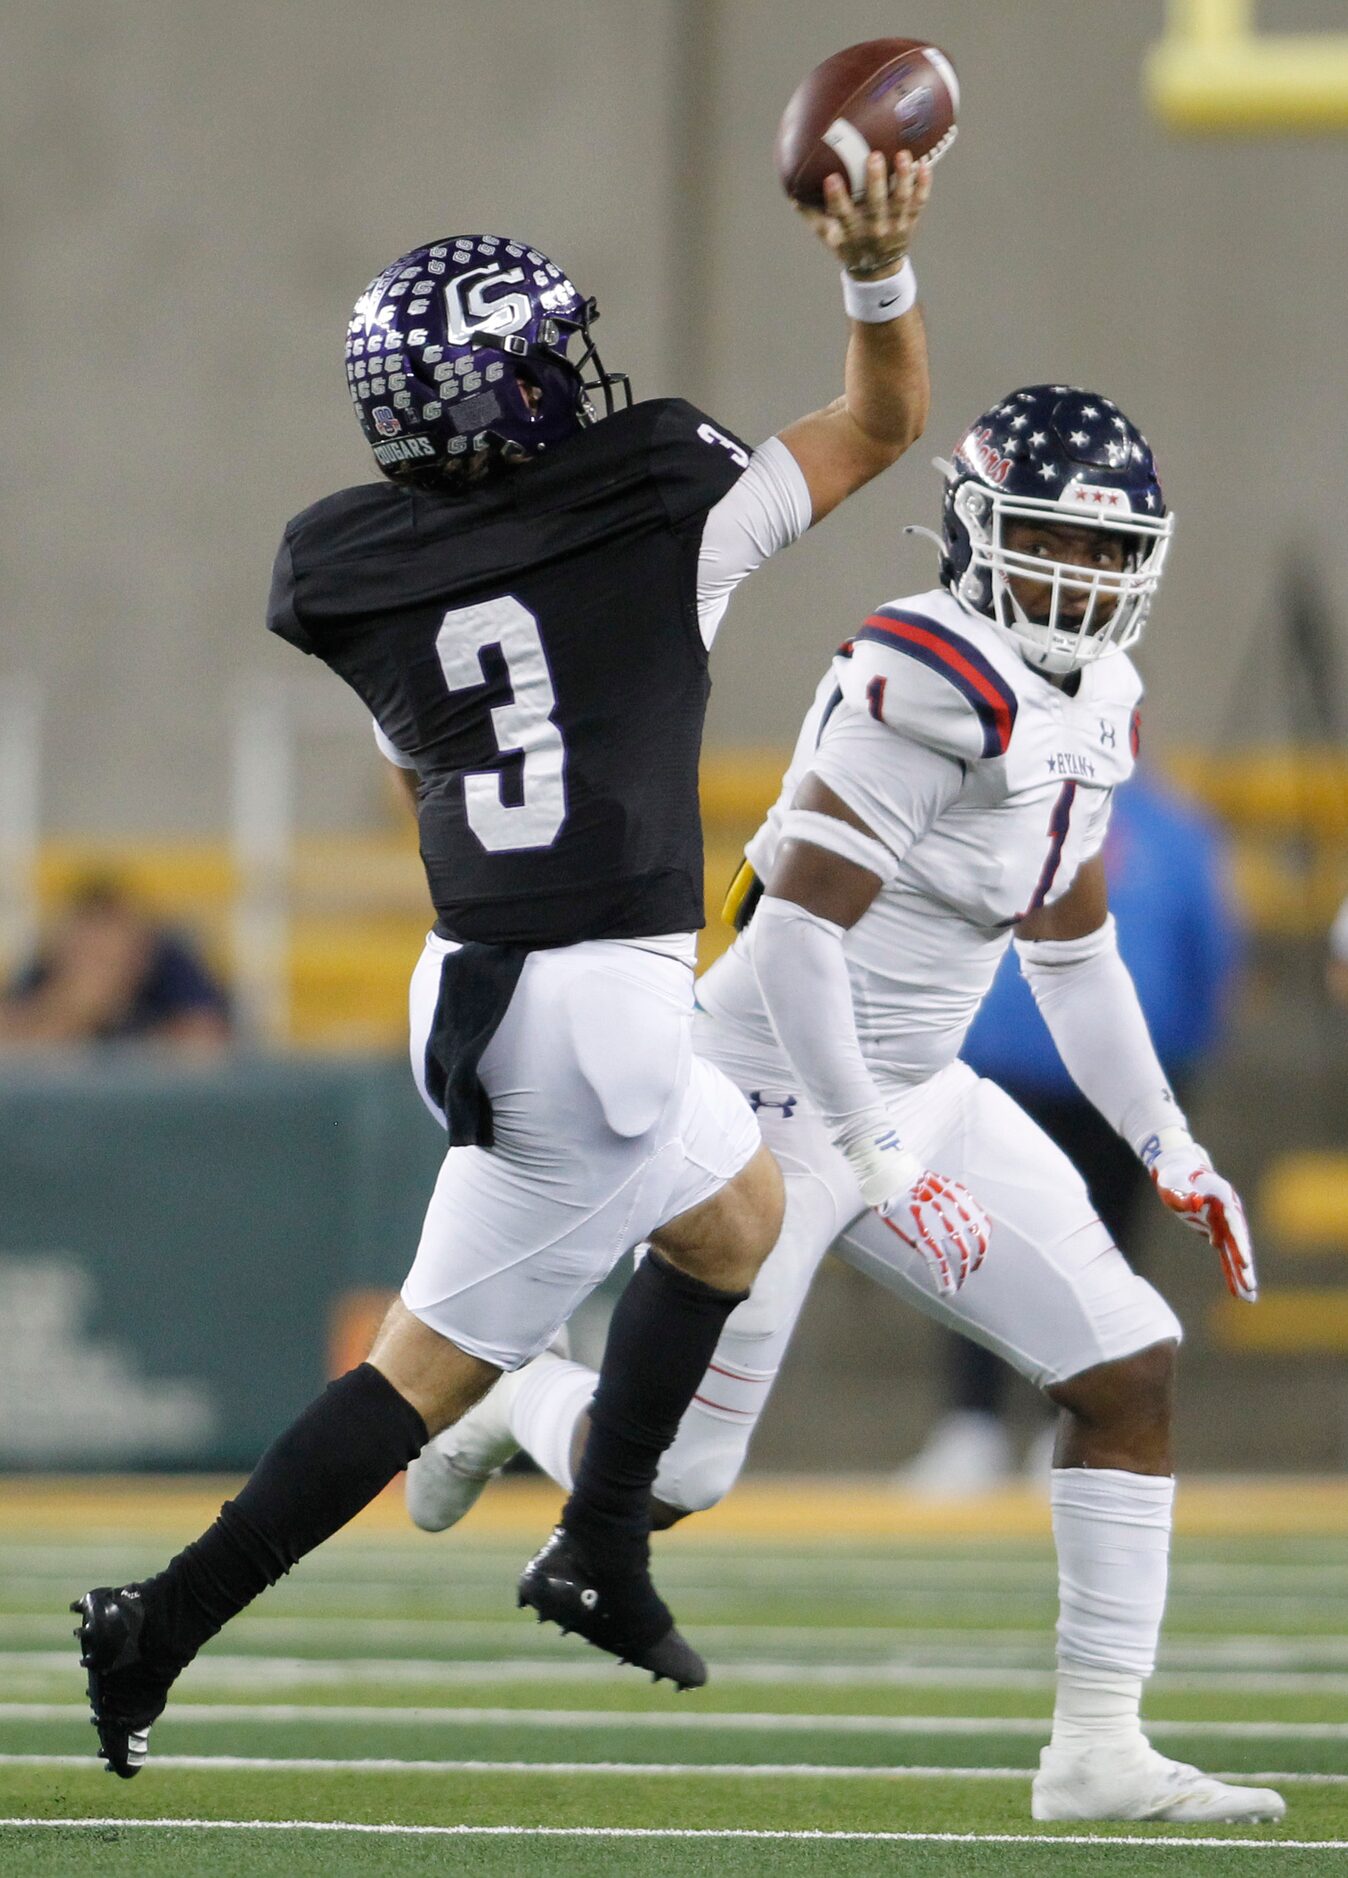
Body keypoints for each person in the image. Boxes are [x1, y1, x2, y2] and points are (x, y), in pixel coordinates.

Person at [72, 152, 950, 1777]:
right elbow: (878, 423)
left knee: (736, 1211)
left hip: (481, 976)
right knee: (419, 1375)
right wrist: (875, 269)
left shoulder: (340, 567)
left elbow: (437, 732)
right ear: (505, 396)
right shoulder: (661, 508)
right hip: (590, 1021)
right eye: (543, 359)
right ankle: (155, 1621)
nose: (572, 375)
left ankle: (597, 1542)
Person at [406, 386, 1284, 1826]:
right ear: (980, 530)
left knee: (1127, 1361)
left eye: (1106, 553)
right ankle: (516, 1391)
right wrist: (871, 1154)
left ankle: (1096, 1752)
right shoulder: (925, 673)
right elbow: (800, 938)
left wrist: (1168, 1143)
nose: (1079, 580)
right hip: (766, 1100)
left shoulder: (1098, 702)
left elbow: (1070, 949)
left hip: (927, 1087)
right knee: (680, 1472)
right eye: (1052, 542)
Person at [904, 768, 1243, 1492]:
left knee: (1099, 1253)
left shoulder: (1173, 831)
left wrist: (1175, 1069)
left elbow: (1208, 949)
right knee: (973, 1245)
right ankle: (973, 1422)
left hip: (1112, 1095)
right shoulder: (991, 810)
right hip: (1004, 1070)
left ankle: (1067, 1422)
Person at [0, 875, 231, 1053]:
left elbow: (207, 1044)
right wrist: (69, 1016)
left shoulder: (171, 974)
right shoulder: (38, 975)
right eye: (90, 953)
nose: (99, 967)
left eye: (108, 958)